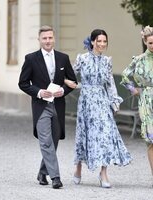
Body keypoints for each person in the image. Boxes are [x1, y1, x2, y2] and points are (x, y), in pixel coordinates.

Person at [65, 29, 132, 188]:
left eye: (104, 42)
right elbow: (71, 74)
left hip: (102, 102)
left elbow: (110, 83)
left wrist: (115, 101)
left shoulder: (107, 61)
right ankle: (78, 167)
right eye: (99, 41)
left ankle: (103, 173)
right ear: (93, 42)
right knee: (85, 134)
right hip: (87, 102)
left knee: (105, 135)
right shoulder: (82, 59)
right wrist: (69, 82)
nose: (102, 44)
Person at [18, 25, 77, 189]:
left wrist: (63, 91)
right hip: (40, 106)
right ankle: (55, 177)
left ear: (54, 38)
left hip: (58, 106)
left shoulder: (63, 58)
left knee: (54, 141)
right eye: (44, 38)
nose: (48, 41)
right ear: (39, 40)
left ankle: (42, 172)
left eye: (50, 37)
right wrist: (38, 92)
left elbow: (73, 82)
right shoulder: (31, 58)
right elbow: (22, 83)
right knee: (45, 142)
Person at [121, 25, 153, 186]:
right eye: (151, 43)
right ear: (145, 42)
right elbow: (125, 76)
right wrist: (133, 89)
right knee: (151, 140)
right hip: (147, 101)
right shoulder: (139, 59)